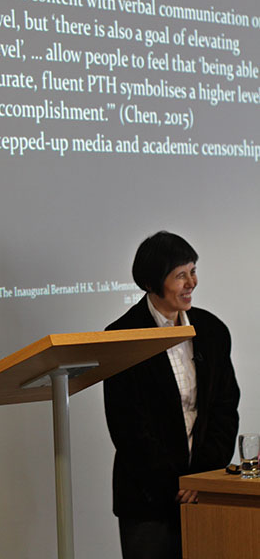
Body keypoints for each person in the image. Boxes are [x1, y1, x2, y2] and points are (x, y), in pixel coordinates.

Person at [103, 231, 239, 559]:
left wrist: (203, 479)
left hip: (206, 493)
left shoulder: (211, 330)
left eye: (193, 271)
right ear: (152, 282)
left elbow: (225, 407)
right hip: (148, 500)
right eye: (180, 275)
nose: (191, 282)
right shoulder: (121, 336)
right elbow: (128, 427)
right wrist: (177, 485)